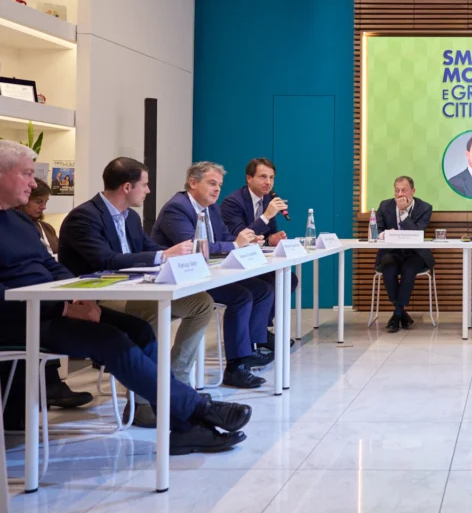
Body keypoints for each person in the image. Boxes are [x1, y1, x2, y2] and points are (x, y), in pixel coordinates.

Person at [0, 141, 251, 454]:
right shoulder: (81, 217)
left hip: (54, 307)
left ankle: (184, 426)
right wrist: (63, 307)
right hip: (20, 319)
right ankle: (197, 408)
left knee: (139, 330)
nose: (33, 182)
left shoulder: (20, 221)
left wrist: (75, 300)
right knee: (112, 339)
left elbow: (53, 267)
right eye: (26, 173)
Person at [59, 157, 214, 426]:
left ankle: (175, 384)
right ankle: (143, 403)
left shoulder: (130, 217)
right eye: (145, 185)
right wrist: (164, 255)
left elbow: (149, 248)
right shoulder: (83, 217)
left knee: (202, 303)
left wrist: (174, 255)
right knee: (148, 310)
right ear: (127, 187)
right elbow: (105, 260)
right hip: (96, 297)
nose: (148, 191)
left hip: (134, 290)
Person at [151, 162, 274, 389]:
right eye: (212, 183)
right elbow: (196, 247)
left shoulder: (212, 208)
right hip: (181, 281)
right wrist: (236, 245)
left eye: (219, 185)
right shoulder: (176, 208)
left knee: (263, 289)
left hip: (206, 275)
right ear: (193, 182)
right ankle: (236, 367)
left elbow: (225, 237)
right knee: (241, 296)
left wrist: (246, 242)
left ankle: (251, 349)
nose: (217, 189)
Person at [14, 179, 94, 411]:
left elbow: (52, 259)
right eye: (38, 201)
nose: (43, 207)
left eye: (46, 201)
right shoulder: (17, 228)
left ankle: (52, 383)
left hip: (53, 286)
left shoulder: (44, 227)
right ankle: (50, 384)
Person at [220, 157, 295, 350]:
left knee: (288, 279)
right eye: (262, 177)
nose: (268, 182)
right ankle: (256, 335)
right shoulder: (232, 202)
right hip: (235, 263)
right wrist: (267, 215)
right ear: (249, 178)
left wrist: (273, 239)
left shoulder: (267, 200)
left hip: (256, 260)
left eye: (271, 178)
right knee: (266, 285)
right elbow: (240, 236)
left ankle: (260, 330)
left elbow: (268, 233)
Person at [374, 176, 434, 332]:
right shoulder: (384, 206)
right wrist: (386, 234)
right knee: (389, 267)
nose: (400, 194)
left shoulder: (425, 208)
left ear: (413, 191)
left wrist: (403, 213)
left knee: (409, 269)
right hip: (392, 252)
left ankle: (397, 314)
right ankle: (401, 313)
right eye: (397, 190)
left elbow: (417, 234)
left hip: (415, 253)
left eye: (404, 190)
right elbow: (377, 231)